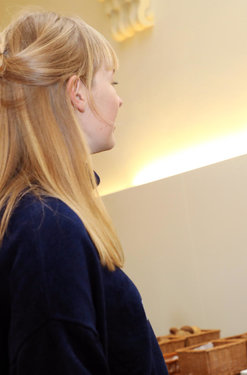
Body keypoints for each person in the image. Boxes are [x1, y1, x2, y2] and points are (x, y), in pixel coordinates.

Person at [0, 11, 168, 374]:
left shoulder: (39, 218)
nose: (118, 100)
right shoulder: (47, 229)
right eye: (113, 81)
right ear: (77, 93)